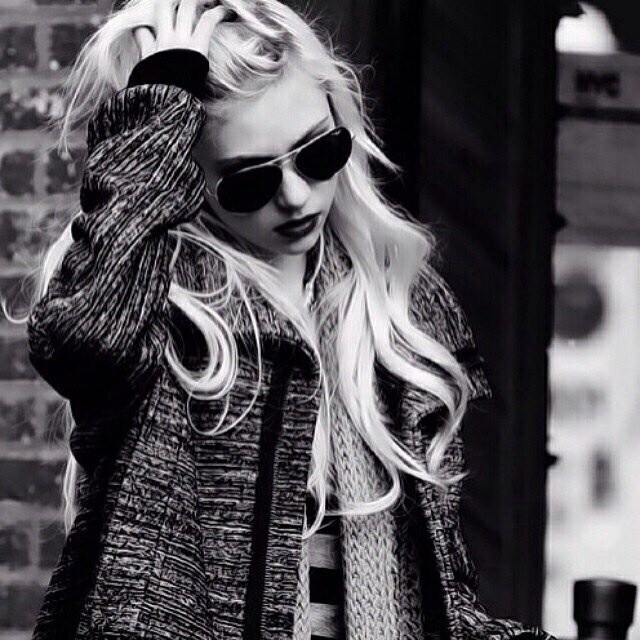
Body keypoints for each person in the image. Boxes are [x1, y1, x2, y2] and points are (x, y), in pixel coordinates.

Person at [17, 0, 558, 638]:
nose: (296, 196)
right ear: (184, 174)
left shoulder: (396, 309)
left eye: (317, 152)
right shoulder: (163, 299)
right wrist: (155, 122)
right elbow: (83, 335)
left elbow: (442, 606)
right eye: (249, 180)